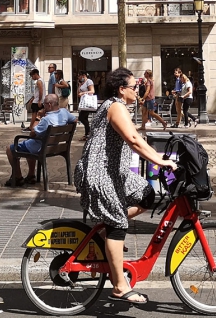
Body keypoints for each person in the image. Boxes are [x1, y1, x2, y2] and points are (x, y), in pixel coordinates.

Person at [74, 68, 178, 305]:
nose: (138, 90)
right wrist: (160, 161)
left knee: (147, 194)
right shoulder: (115, 107)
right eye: (135, 86)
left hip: (115, 173)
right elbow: (133, 140)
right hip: (99, 174)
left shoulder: (120, 106)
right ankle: (120, 286)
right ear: (122, 89)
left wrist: (160, 159)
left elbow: (138, 139)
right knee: (118, 223)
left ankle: (102, 233)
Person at [5, 94, 76, 187]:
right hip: (55, 147)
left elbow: (32, 133)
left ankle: (18, 177)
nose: (43, 106)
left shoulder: (46, 120)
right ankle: (31, 175)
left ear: (49, 105)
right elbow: (74, 121)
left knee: (10, 149)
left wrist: (38, 117)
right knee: (29, 145)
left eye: (44, 104)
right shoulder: (64, 112)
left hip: (41, 147)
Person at [77, 71, 96, 138]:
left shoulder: (89, 81)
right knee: (85, 118)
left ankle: (89, 132)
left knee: (81, 118)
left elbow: (92, 91)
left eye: (79, 75)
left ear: (83, 75)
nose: (78, 77)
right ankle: (87, 134)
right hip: (83, 103)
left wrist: (83, 93)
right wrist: (79, 85)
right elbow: (78, 93)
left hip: (88, 103)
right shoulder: (82, 83)